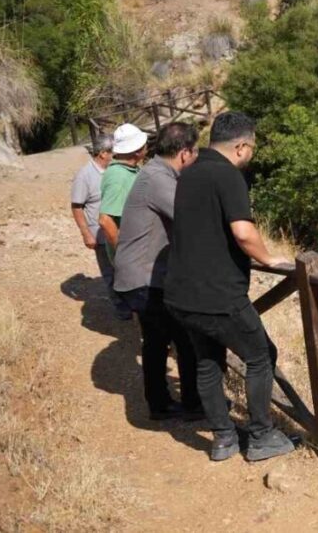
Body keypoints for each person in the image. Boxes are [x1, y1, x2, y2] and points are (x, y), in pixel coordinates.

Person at [165, 112, 293, 462]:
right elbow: (242, 231)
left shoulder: (188, 172)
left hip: (180, 294)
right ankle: (262, 435)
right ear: (240, 146)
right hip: (217, 295)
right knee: (261, 355)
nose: (251, 154)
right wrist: (269, 259)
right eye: (251, 148)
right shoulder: (227, 175)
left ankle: (223, 438)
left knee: (208, 362)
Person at [113, 123, 202, 421]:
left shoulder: (152, 173)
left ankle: (161, 404)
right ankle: (191, 403)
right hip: (145, 277)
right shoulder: (158, 179)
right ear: (185, 152)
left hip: (139, 274)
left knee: (156, 341)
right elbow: (190, 218)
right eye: (196, 151)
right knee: (184, 338)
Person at [70, 132, 128, 320]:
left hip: (122, 230)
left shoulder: (117, 170)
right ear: (103, 153)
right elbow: (77, 206)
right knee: (111, 273)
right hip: (101, 234)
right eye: (114, 151)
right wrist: (86, 233)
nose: (117, 155)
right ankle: (122, 309)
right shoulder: (84, 175)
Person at [99, 123, 148, 261]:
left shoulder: (130, 170)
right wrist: (123, 255)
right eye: (145, 145)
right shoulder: (118, 177)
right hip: (133, 259)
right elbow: (105, 220)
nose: (147, 147)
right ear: (137, 151)